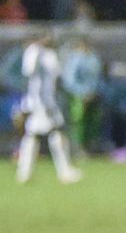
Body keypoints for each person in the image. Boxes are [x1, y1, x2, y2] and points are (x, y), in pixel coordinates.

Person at [16, 34, 79, 184]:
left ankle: (24, 173)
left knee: (34, 134)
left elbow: (50, 81)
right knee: (54, 132)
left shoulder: (46, 55)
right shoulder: (37, 53)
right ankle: (64, 171)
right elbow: (35, 78)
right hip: (42, 102)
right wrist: (42, 103)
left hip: (43, 100)